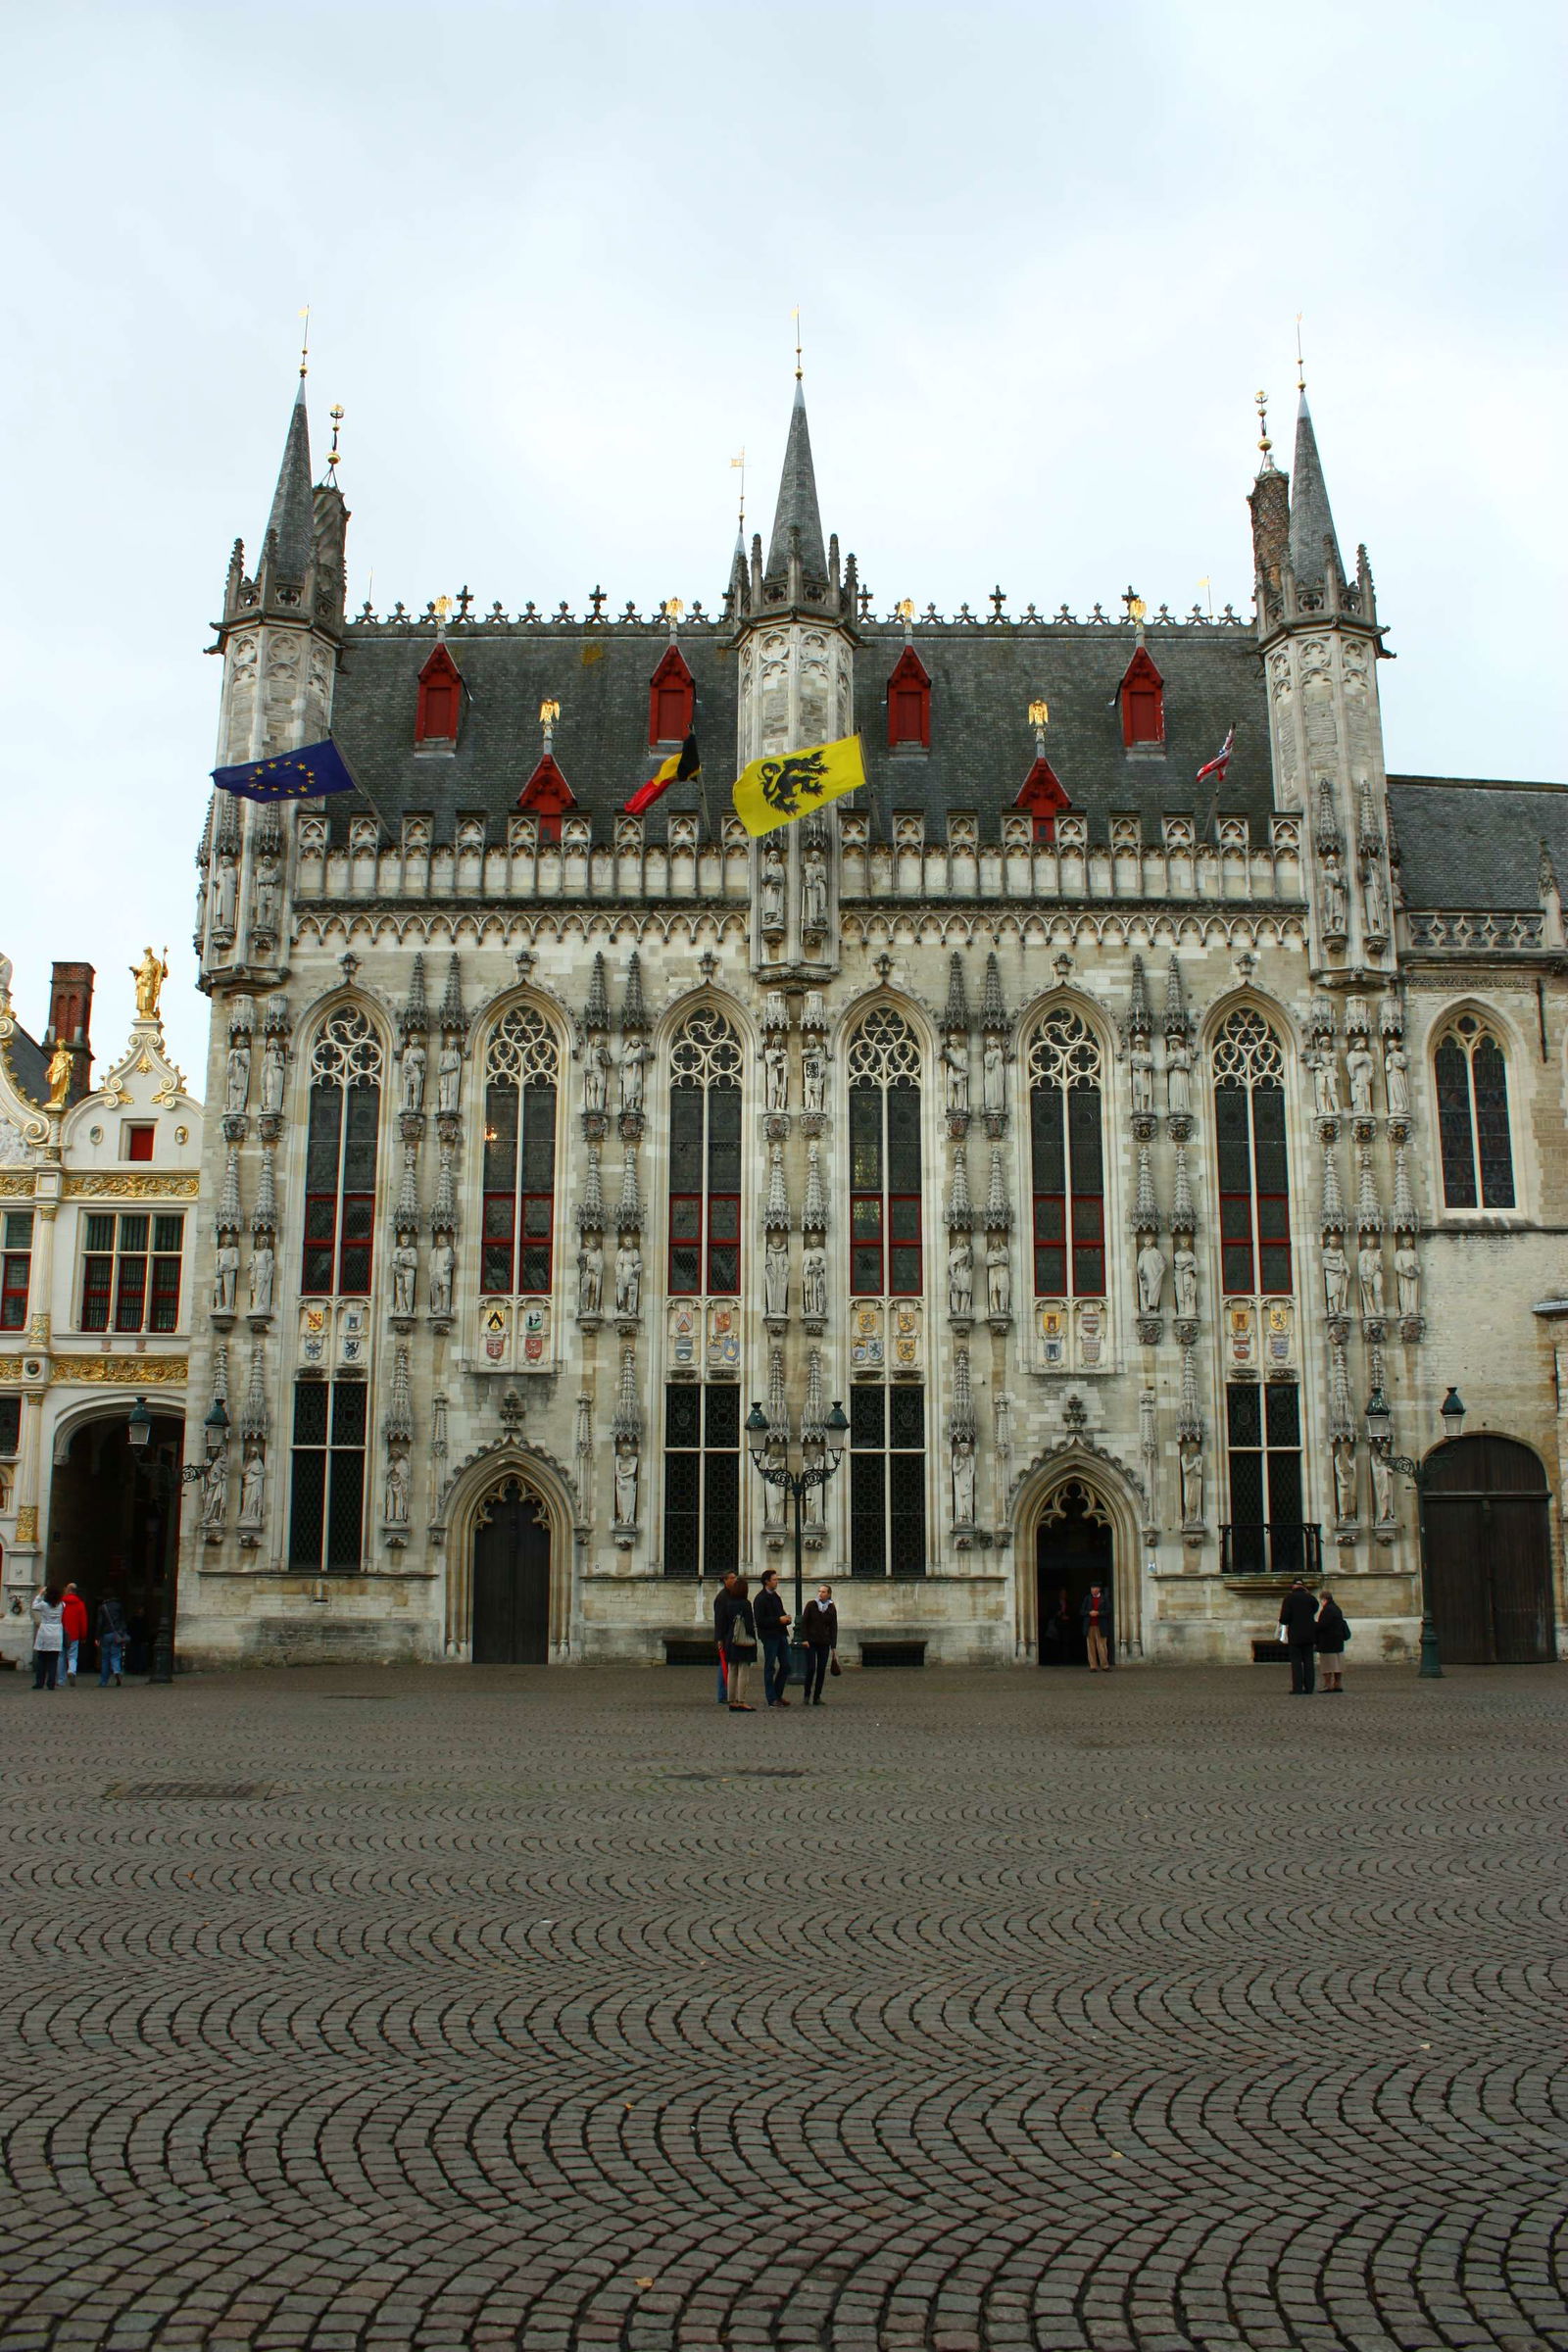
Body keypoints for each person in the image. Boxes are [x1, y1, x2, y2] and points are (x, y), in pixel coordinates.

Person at [716, 1574, 758, 1712]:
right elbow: (749, 1625)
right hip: (742, 1640)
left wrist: (721, 1639)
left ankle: (732, 1700)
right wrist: (752, 1637)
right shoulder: (745, 1604)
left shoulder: (728, 1603)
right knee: (743, 1671)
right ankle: (741, 1700)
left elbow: (722, 1622)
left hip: (730, 1640)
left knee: (732, 1670)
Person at [754, 1568, 793, 1707]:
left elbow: (780, 1612)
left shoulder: (776, 1596)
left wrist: (786, 1618)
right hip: (769, 1636)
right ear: (767, 1581)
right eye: (774, 1579)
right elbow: (760, 1621)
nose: (777, 1582)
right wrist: (778, 1620)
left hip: (781, 1634)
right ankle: (771, 1698)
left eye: (777, 1579)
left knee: (786, 1665)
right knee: (770, 1666)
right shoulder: (760, 1598)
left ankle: (778, 1694)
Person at [1279, 1578, 1320, 1694]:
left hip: (1295, 1635)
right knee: (1309, 1662)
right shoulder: (1310, 1598)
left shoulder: (1289, 1598)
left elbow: (1284, 1618)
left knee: (1296, 1662)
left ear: (1293, 1586)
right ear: (1303, 1587)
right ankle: (1309, 1687)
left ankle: (1297, 1687)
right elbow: (1315, 1608)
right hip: (1309, 1634)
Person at [800, 1584, 838, 1705]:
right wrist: (804, 1639)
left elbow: (833, 1627)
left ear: (829, 1594)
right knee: (811, 1668)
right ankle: (806, 1695)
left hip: (824, 1642)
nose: (820, 1594)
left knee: (821, 1670)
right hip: (811, 1642)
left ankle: (817, 1696)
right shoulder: (811, 1605)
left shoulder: (831, 1607)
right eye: (819, 1591)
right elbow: (804, 1623)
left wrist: (833, 1645)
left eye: (823, 1592)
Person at [1315, 1588, 1350, 1692]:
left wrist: (1315, 1626)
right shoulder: (1337, 1608)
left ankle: (1328, 1685)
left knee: (1327, 1666)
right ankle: (1337, 1684)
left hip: (1327, 1642)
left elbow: (1323, 1625)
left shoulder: (1326, 1610)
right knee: (1338, 1665)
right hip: (1338, 1641)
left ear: (1324, 1599)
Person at [711, 1571, 738, 1706]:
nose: (735, 1580)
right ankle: (722, 1694)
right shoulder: (722, 1598)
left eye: (735, 1577)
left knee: (729, 1664)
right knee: (724, 1665)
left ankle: (729, 1692)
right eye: (732, 1578)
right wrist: (719, 1639)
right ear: (725, 1580)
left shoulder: (733, 1595)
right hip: (725, 1636)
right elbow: (719, 1620)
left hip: (731, 1635)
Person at [31, 1587, 65, 1690]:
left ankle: (39, 1682)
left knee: (42, 1659)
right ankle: (51, 1683)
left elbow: (34, 1606)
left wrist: (40, 1594)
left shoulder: (44, 1605)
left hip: (45, 1631)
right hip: (56, 1632)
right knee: (53, 1661)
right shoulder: (62, 1605)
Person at [61, 1583, 89, 1687]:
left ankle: (60, 1680)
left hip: (61, 1632)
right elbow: (83, 1621)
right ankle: (71, 1670)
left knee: (61, 1656)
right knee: (72, 1656)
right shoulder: (80, 1604)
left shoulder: (61, 1603)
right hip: (74, 1634)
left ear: (67, 1590)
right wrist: (83, 1635)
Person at [97, 1592, 128, 1687]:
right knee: (116, 1655)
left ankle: (103, 1681)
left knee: (105, 1658)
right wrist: (122, 1632)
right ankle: (116, 1670)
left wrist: (97, 1636)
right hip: (117, 1634)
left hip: (106, 1634)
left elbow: (100, 1623)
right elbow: (123, 1620)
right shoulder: (119, 1606)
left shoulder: (102, 1607)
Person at [1081, 1582, 1112, 1672]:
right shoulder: (1087, 1598)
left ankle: (1105, 1665)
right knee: (1090, 1647)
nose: (1093, 1590)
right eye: (1092, 1588)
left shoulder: (1104, 1599)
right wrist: (1089, 1613)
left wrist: (1098, 1613)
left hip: (1101, 1626)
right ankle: (1093, 1666)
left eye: (1095, 1588)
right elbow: (1082, 1611)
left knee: (1102, 1646)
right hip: (1090, 1626)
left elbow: (1109, 1611)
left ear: (1099, 1589)